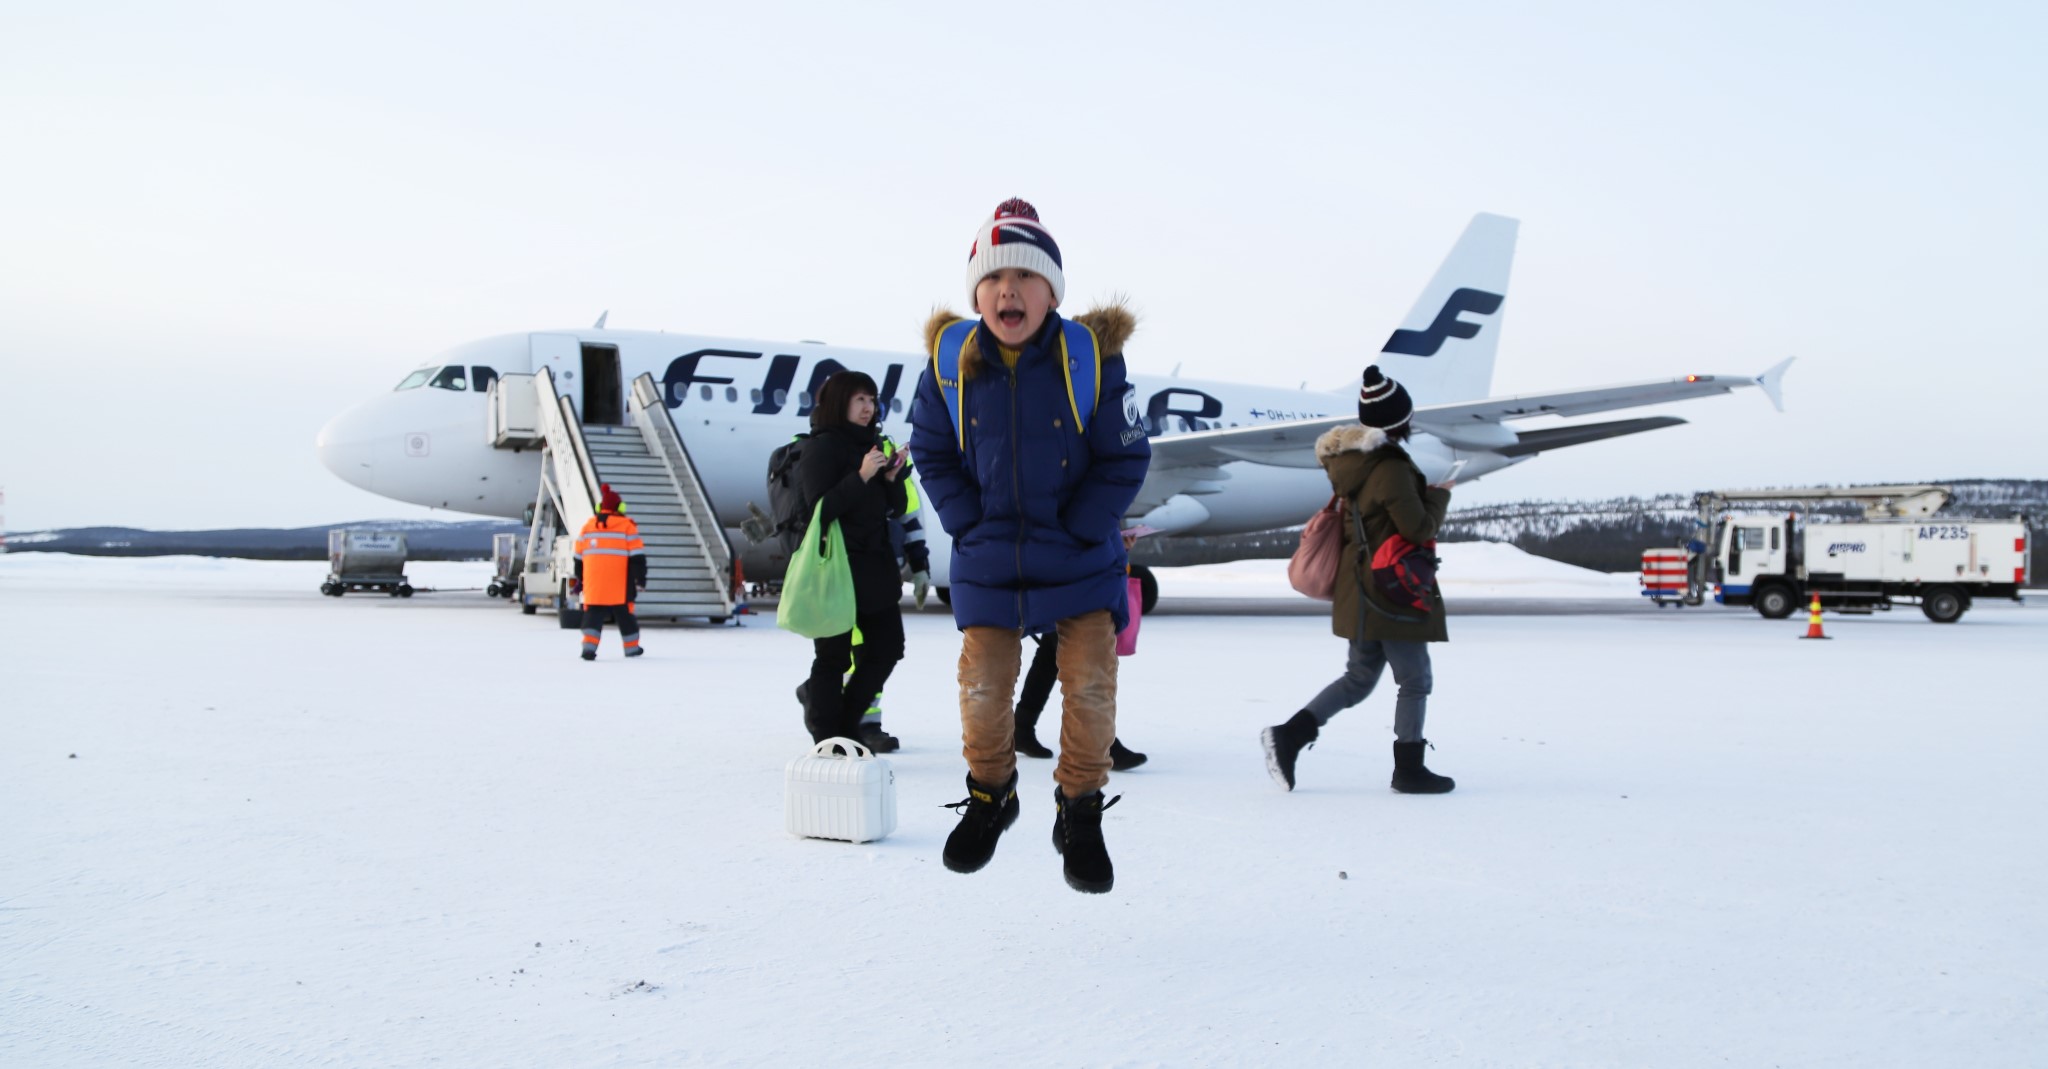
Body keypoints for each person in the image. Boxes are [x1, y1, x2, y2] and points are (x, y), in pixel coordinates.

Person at [909, 197, 1151, 894]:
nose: (1007, 289)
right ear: (976, 293)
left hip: (1078, 557)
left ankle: (1079, 808)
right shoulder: (951, 364)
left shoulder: (1092, 362)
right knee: (983, 690)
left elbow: (1126, 457)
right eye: (991, 278)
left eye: (1024, 275)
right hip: (991, 559)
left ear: (1052, 292)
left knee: (1091, 688)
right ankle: (992, 795)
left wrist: (1082, 525)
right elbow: (930, 447)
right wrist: (965, 520)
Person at [1261, 366, 1456, 793]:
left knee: (1359, 678)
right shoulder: (1389, 467)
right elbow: (1418, 528)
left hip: (1361, 588)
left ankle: (1289, 736)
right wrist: (1440, 494)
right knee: (1415, 679)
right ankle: (1409, 769)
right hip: (1392, 588)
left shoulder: (1354, 464)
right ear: (1399, 420)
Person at [793, 371, 909, 745]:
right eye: (860, 399)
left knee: (888, 648)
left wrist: (889, 480)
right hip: (836, 568)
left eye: (872, 400)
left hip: (874, 568)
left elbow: (895, 510)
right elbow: (819, 511)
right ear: (839, 402)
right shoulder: (821, 447)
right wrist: (861, 475)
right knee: (834, 657)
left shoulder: (872, 445)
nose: (868, 407)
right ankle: (828, 738)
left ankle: (844, 723)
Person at [1015, 528, 1148, 768]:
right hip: (1067, 582)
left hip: (1062, 579)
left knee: (1049, 656)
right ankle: (1102, 743)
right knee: (1085, 666)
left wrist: (1118, 546)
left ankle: (1021, 728)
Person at [573, 483, 646, 661]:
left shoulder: (588, 527)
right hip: (620, 585)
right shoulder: (627, 526)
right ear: (620, 507)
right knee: (625, 616)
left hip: (594, 584)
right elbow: (637, 558)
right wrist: (640, 579)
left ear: (600, 507)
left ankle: (588, 649)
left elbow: (577, 558)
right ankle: (631, 649)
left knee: (592, 616)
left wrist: (581, 579)